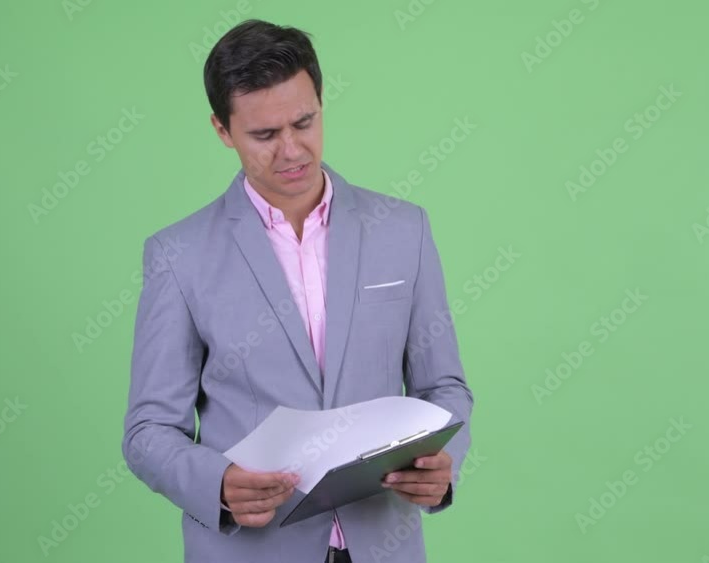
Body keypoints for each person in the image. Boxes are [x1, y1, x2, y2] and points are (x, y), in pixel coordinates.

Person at [121, 19, 473, 563]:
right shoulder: (178, 255)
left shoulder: (405, 230)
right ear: (222, 130)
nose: (291, 150)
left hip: (384, 544)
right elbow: (148, 431)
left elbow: (443, 386)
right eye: (264, 135)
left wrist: (442, 466)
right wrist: (217, 484)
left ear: (321, 104)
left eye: (304, 122)